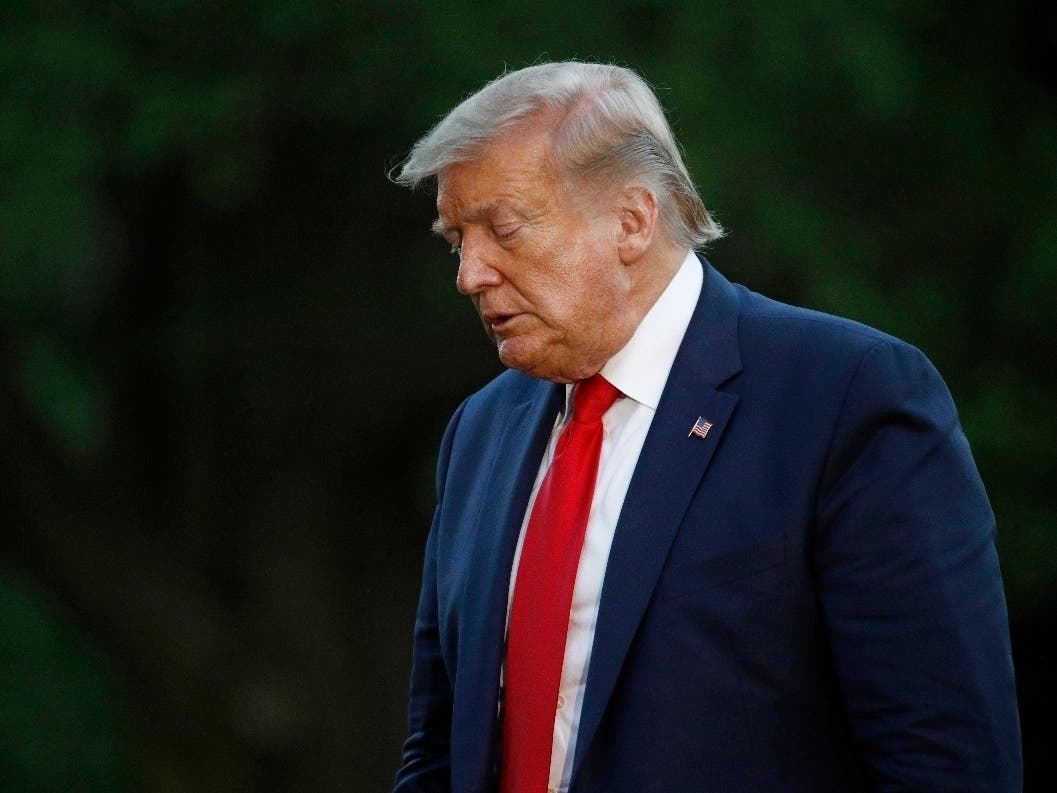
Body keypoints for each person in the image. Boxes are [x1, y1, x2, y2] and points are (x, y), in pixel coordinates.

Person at [390, 62, 1021, 793]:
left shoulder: (845, 397)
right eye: (455, 239)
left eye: (503, 229)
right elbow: (437, 751)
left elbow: (943, 759)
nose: (470, 273)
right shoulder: (481, 431)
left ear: (631, 219)